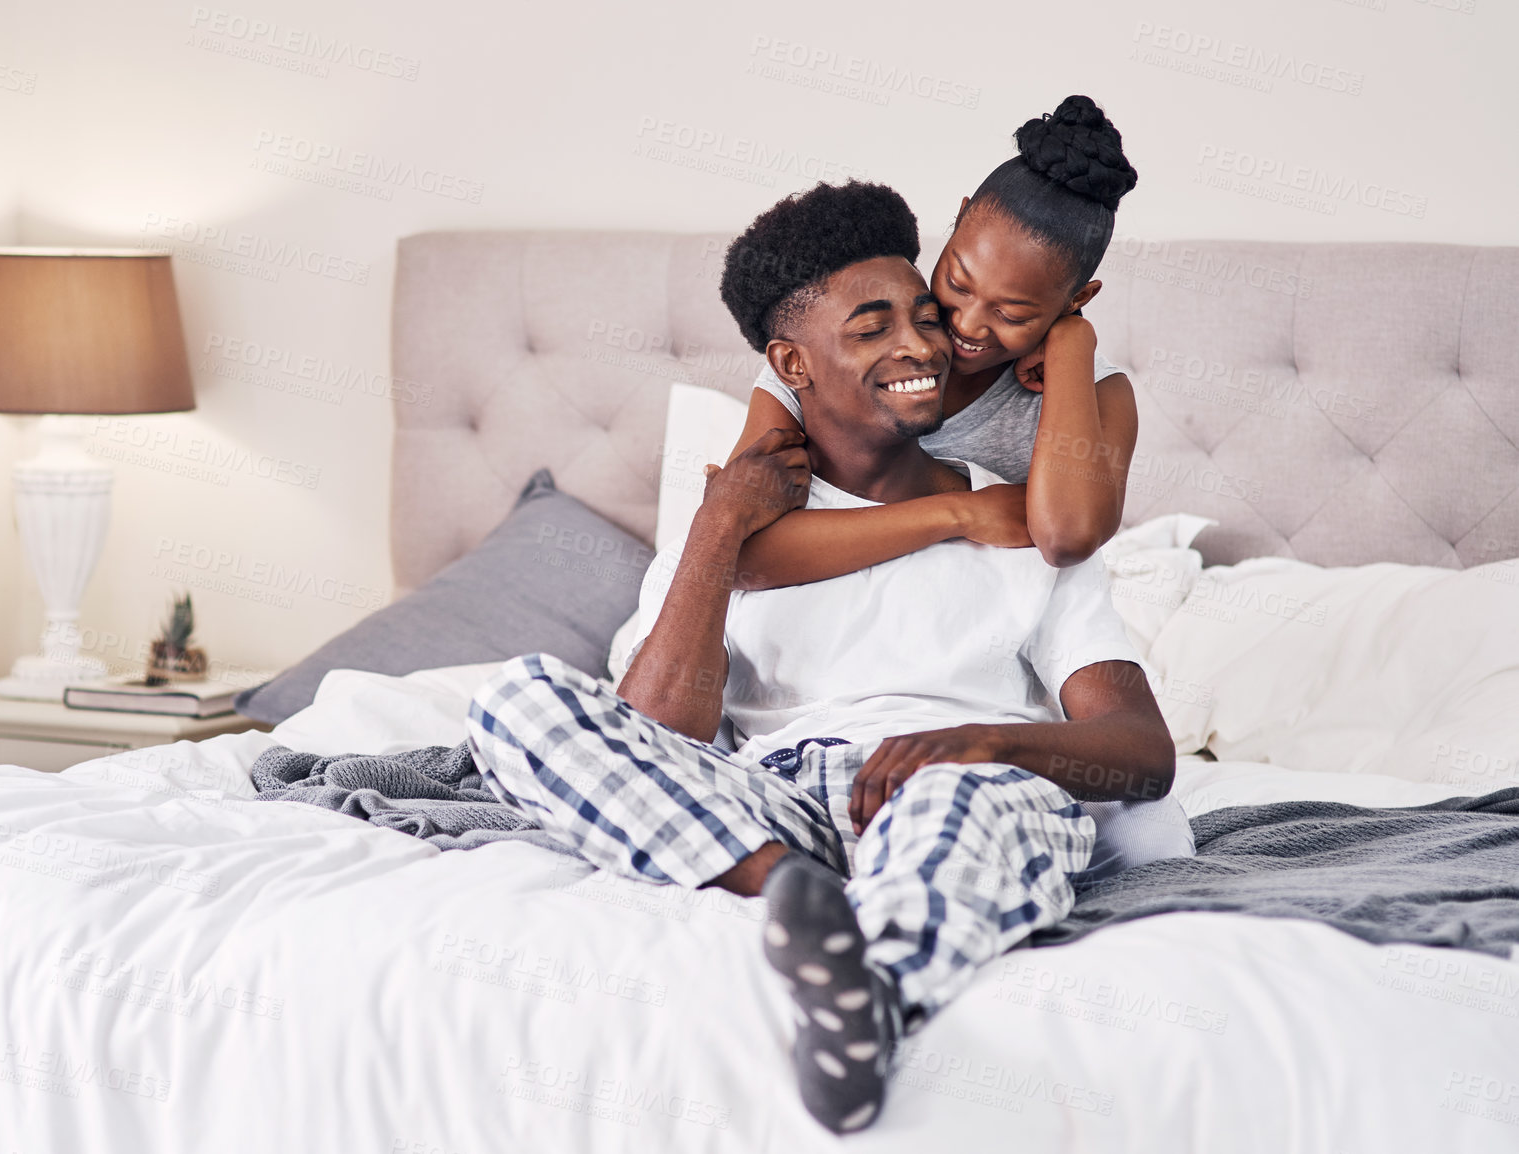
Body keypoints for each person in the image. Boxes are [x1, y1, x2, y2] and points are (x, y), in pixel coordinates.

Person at [465, 181, 1176, 1134]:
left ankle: (870, 989)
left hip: (953, 788)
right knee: (517, 698)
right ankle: (799, 900)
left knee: (964, 803)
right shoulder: (736, 537)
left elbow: (1139, 750)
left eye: (923, 318)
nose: (921, 346)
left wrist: (973, 744)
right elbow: (659, 732)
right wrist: (717, 525)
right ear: (790, 364)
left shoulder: (1025, 528)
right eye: (871, 327)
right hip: (775, 805)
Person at [725, 94, 1140, 584]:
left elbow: (1067, 539)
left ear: (1076, 298)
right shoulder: (835, 353)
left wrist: (1073, 341)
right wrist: (962, 512)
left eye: (1011, 313)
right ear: (959, 218)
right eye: (958, 284)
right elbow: (734, 552)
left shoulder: (1098, 394)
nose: (966, 325)